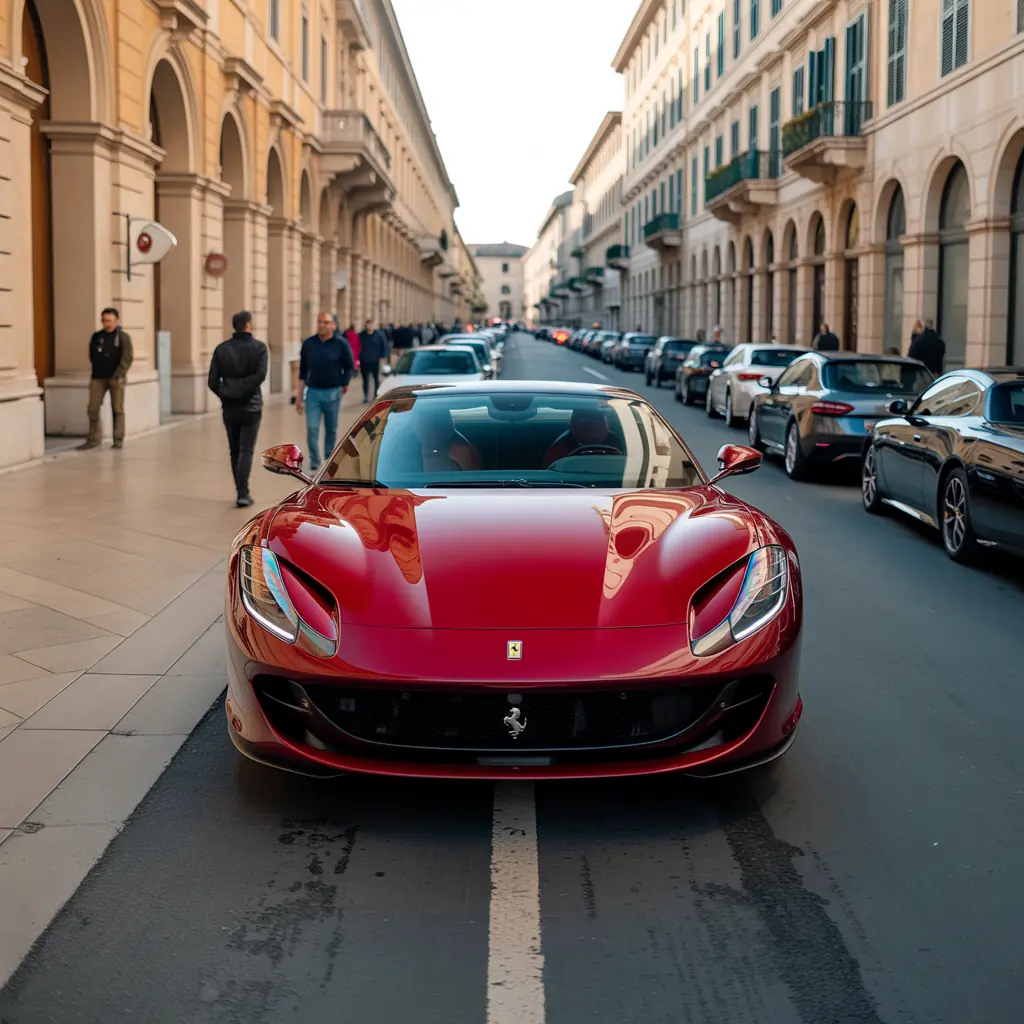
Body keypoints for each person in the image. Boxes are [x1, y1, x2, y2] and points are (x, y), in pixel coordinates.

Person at [208, 311, 268, 508]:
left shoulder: (222, 349)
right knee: (246, 449)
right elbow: (260, 376)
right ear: (249, 325)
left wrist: (227, 393)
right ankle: (243, 493)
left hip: (230, 407)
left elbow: (212, 381)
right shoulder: (259, 348)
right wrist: (243, 390)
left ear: (235, 326)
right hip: (251, 406)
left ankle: (240, 491)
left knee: (234, 449)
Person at [296, 312, 355, 473]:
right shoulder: (309, 344)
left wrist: (345, 384)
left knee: (331, 428)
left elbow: (349, 366)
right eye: (320, 322)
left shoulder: (341, 344)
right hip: (313, 392)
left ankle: (329, 458)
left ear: (333, 325)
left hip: (333, 392)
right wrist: (299, 397)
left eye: (326, 322)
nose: (322, 325)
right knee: (312, 428)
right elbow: (302, 372)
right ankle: (315, 461)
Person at [79, 307, 133, 450]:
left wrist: (119, 373)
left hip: (116, 378)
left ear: (116, 321)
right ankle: (94, 438)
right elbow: (92, 355)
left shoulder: (122, 337)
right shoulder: (97, 337)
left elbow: (127, 358)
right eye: (104, 320)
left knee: (117, 409)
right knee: (93, 408)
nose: (106, 323)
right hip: (98, 377)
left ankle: (118, 439)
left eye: (109, 320)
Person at [357, 319, 388, 402]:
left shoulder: (379, 335)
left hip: (375, 360)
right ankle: (366, 396)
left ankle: (375, 394)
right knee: (365, 380)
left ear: (373, 325)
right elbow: (357, 346)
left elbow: (384, 346)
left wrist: (383, 357)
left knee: (376, 379)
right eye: (367, 325)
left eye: (370, 324)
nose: (369, 326)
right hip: (364, 360)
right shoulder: (361, 335)